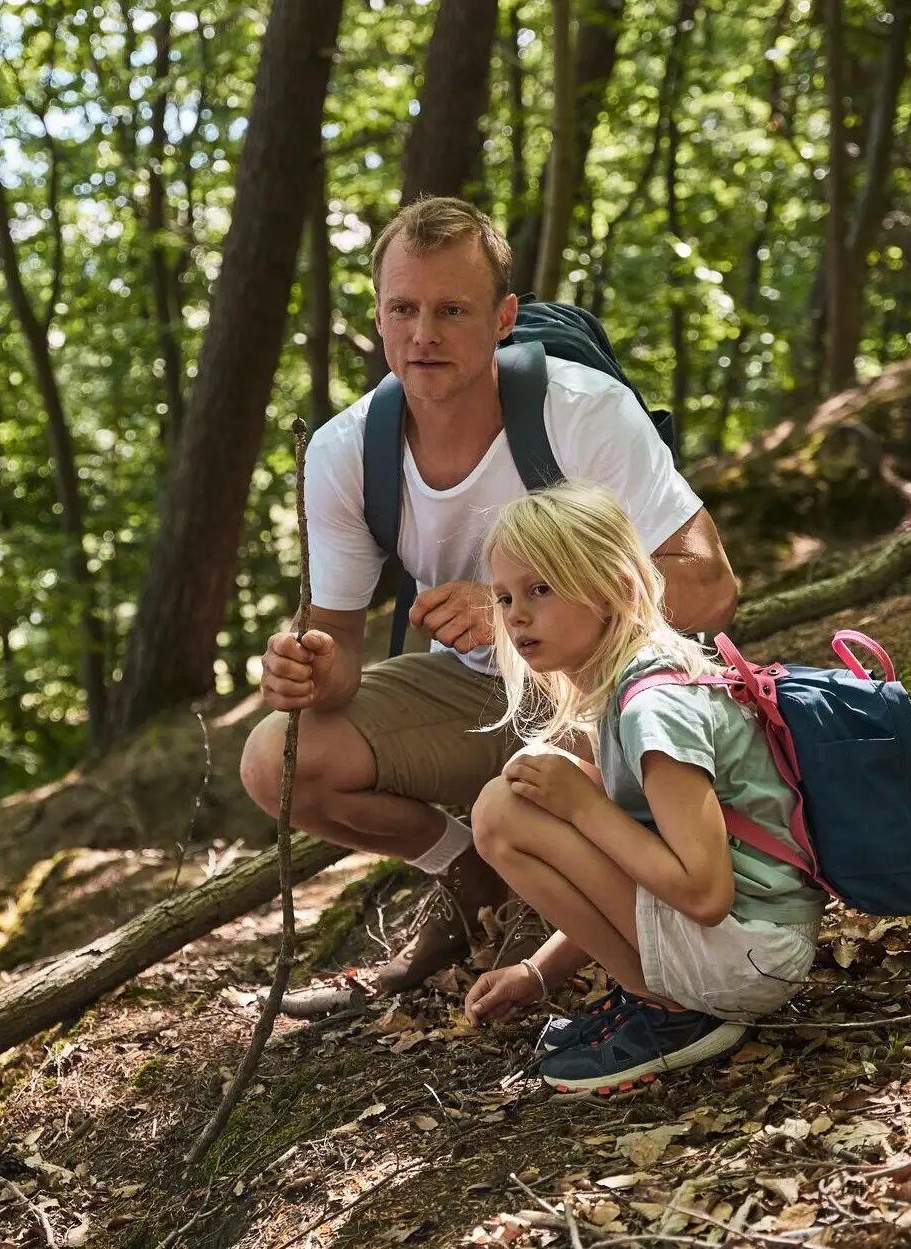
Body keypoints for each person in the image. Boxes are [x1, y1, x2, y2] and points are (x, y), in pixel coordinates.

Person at [240, 196, 739, 1001]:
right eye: (402, 309)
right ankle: (467, 871)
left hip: (609, 691)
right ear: (377, 316)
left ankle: (629, 965)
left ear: (503, 318)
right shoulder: (343, 451)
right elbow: (337, 660)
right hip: (478, 691)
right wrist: (303, 667)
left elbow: (710, 585)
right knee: (279, 756)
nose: (422, 335)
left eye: (451, 310)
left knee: (543, 783)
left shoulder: (580, 412)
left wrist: (521, 602)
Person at [459, 480, 823, 1094]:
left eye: (540, 589)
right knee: (540, 783)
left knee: (505, 808)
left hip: (750, 955)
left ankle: (672, 1013)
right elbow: (627, 877)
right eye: (503, 597)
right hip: (743, 943)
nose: (516, 614)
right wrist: (536, 974)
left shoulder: (654, 705)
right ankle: (659, 1000)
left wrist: (584, 807)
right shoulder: (627, 687)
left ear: (614, 590)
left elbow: (703, 894)